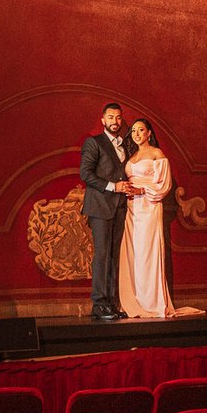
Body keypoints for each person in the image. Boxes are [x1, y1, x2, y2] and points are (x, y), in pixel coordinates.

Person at [118, 118, 177, 318]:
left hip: (148, 206)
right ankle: (134, 300)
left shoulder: (156, 154)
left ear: (149, 133)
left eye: (140, 130)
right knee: (133, 252)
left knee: (148, 252)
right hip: (131, 207)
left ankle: (152, 302)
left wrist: (142, 189)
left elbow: (164, 185)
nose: (136, 133)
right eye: (133, 130)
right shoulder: (131, 155)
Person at [79, 103, 133, 322]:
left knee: (114, 256)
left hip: (120, 208)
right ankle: (99, 304)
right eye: (111, 117)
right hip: (100, 206)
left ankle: (111, 303)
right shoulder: (94, 143)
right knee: (102, 255)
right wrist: (113, 186)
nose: (115, 121)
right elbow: (85, 174)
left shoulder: (126, 145)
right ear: (103, 120)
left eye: (119, 118)